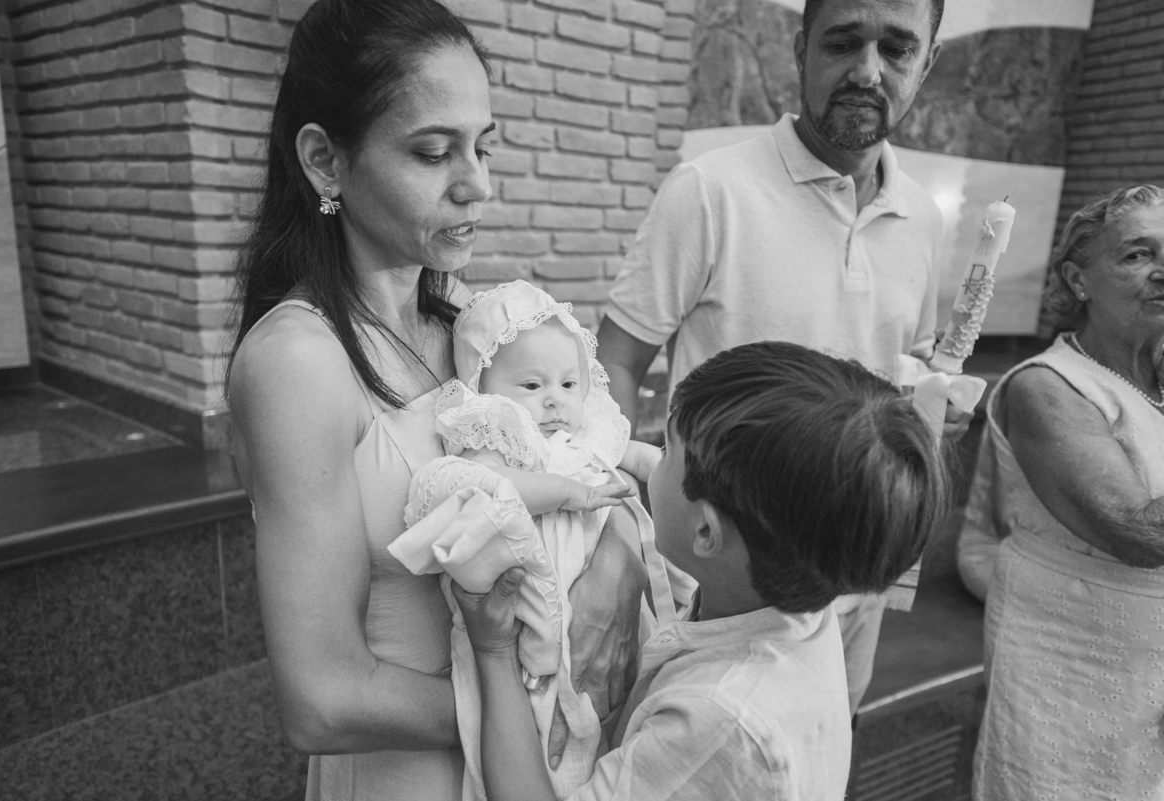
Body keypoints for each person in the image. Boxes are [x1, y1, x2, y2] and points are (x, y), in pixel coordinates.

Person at [225, 2, 644, 799]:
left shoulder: (470, 324)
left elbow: (569, 459)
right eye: (433, 152)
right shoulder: (299, 362)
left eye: (484, 146)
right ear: (324, 160)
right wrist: (546, 708)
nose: (477, 184)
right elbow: (321, 698)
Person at [596, 0, 958, 714]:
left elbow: (910, 373)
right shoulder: (709, 190)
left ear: (928, 62)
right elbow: (615, 363)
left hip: (854, 580)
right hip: (717, 583)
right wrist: (618, 528)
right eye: (843, 43)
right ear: (801, 49)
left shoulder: (925, 218)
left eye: (896, 49)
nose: (866, 71)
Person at [452, 341, 951, 801]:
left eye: (666, 450)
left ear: (708, 534)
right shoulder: (789, 593)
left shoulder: (721, 720)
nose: (653, 458)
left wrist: (494, 651)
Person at [388, 280, 672, 798]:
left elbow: (637, 457)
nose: (554, 402)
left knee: (611, 699)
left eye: (568, 385)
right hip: (520, 609)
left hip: (592, 590)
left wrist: (671, 471)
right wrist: (565, 491)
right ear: (486, 390)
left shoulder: (585, 433)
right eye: (532, 386)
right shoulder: (499, 441)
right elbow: (489, 486)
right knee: (542, 718)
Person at [969, 185, 1164, 800]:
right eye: (1138, 254)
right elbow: (1138, 531)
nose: (1163, 272)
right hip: (1074, 661)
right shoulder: (1047, 388)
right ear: (1079, 281)